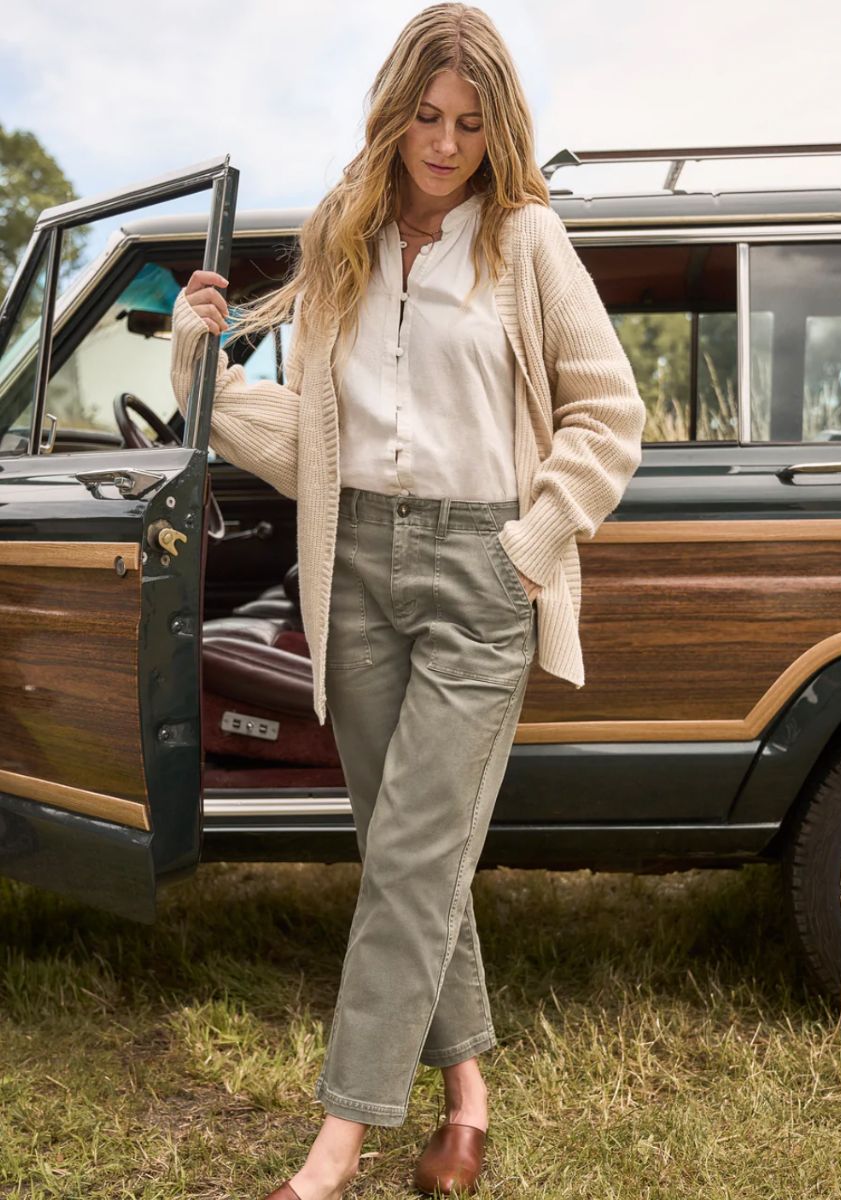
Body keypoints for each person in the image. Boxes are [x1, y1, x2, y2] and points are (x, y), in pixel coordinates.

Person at [168, 5, 646, 1197]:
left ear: (499, 129)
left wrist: (531, 544)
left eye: (469, 125)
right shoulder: (346, 232)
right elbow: (314, 442)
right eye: (427, 117)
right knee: (408, 852)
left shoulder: (525, 238)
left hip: (483, 570)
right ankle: (468, 1097)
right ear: (394, 113)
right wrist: (198, 369)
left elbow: (609, 415)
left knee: (412, 856)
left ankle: (337, 1144)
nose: (444, 144)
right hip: (358, 571)